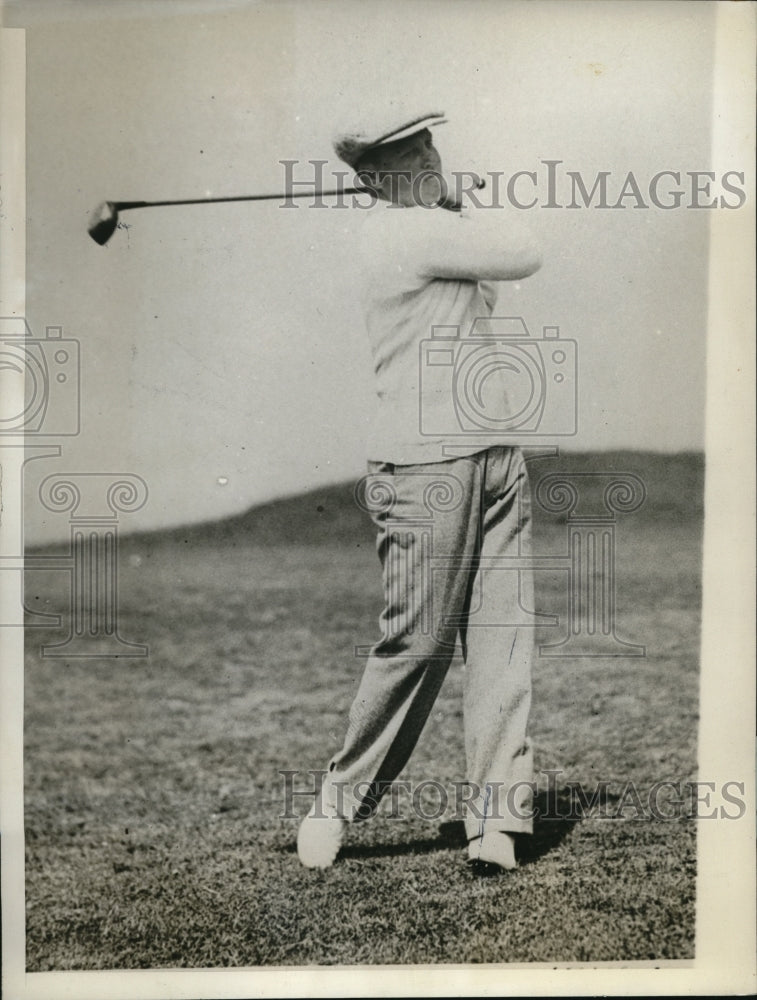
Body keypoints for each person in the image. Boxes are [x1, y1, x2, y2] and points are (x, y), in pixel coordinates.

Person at [297, 110, 542, 872]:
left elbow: (488, 290)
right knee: (420, 642)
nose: (431, 158)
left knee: (502, 637)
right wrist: (464, 198)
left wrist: (455, 198)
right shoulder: (403, 233)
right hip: (425, 468)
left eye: (431, 144)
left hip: (495, 451)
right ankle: (337, 802)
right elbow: (523, 251)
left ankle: (497, 821)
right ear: (375, 178)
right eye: (410, 154)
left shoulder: (429, 229)